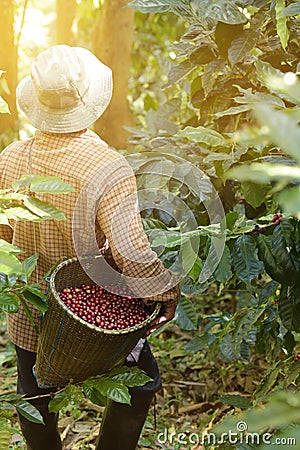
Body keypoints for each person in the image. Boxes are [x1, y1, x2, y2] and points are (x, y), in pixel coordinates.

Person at [0, 45, 180, 450]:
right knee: (141, 386)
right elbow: (131, 253)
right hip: (95, 320)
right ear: (91, 102)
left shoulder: (9, 159)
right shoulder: (107, 167)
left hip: (32, 311)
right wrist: (166, 291)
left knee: (34, 398)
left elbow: (5, 237)